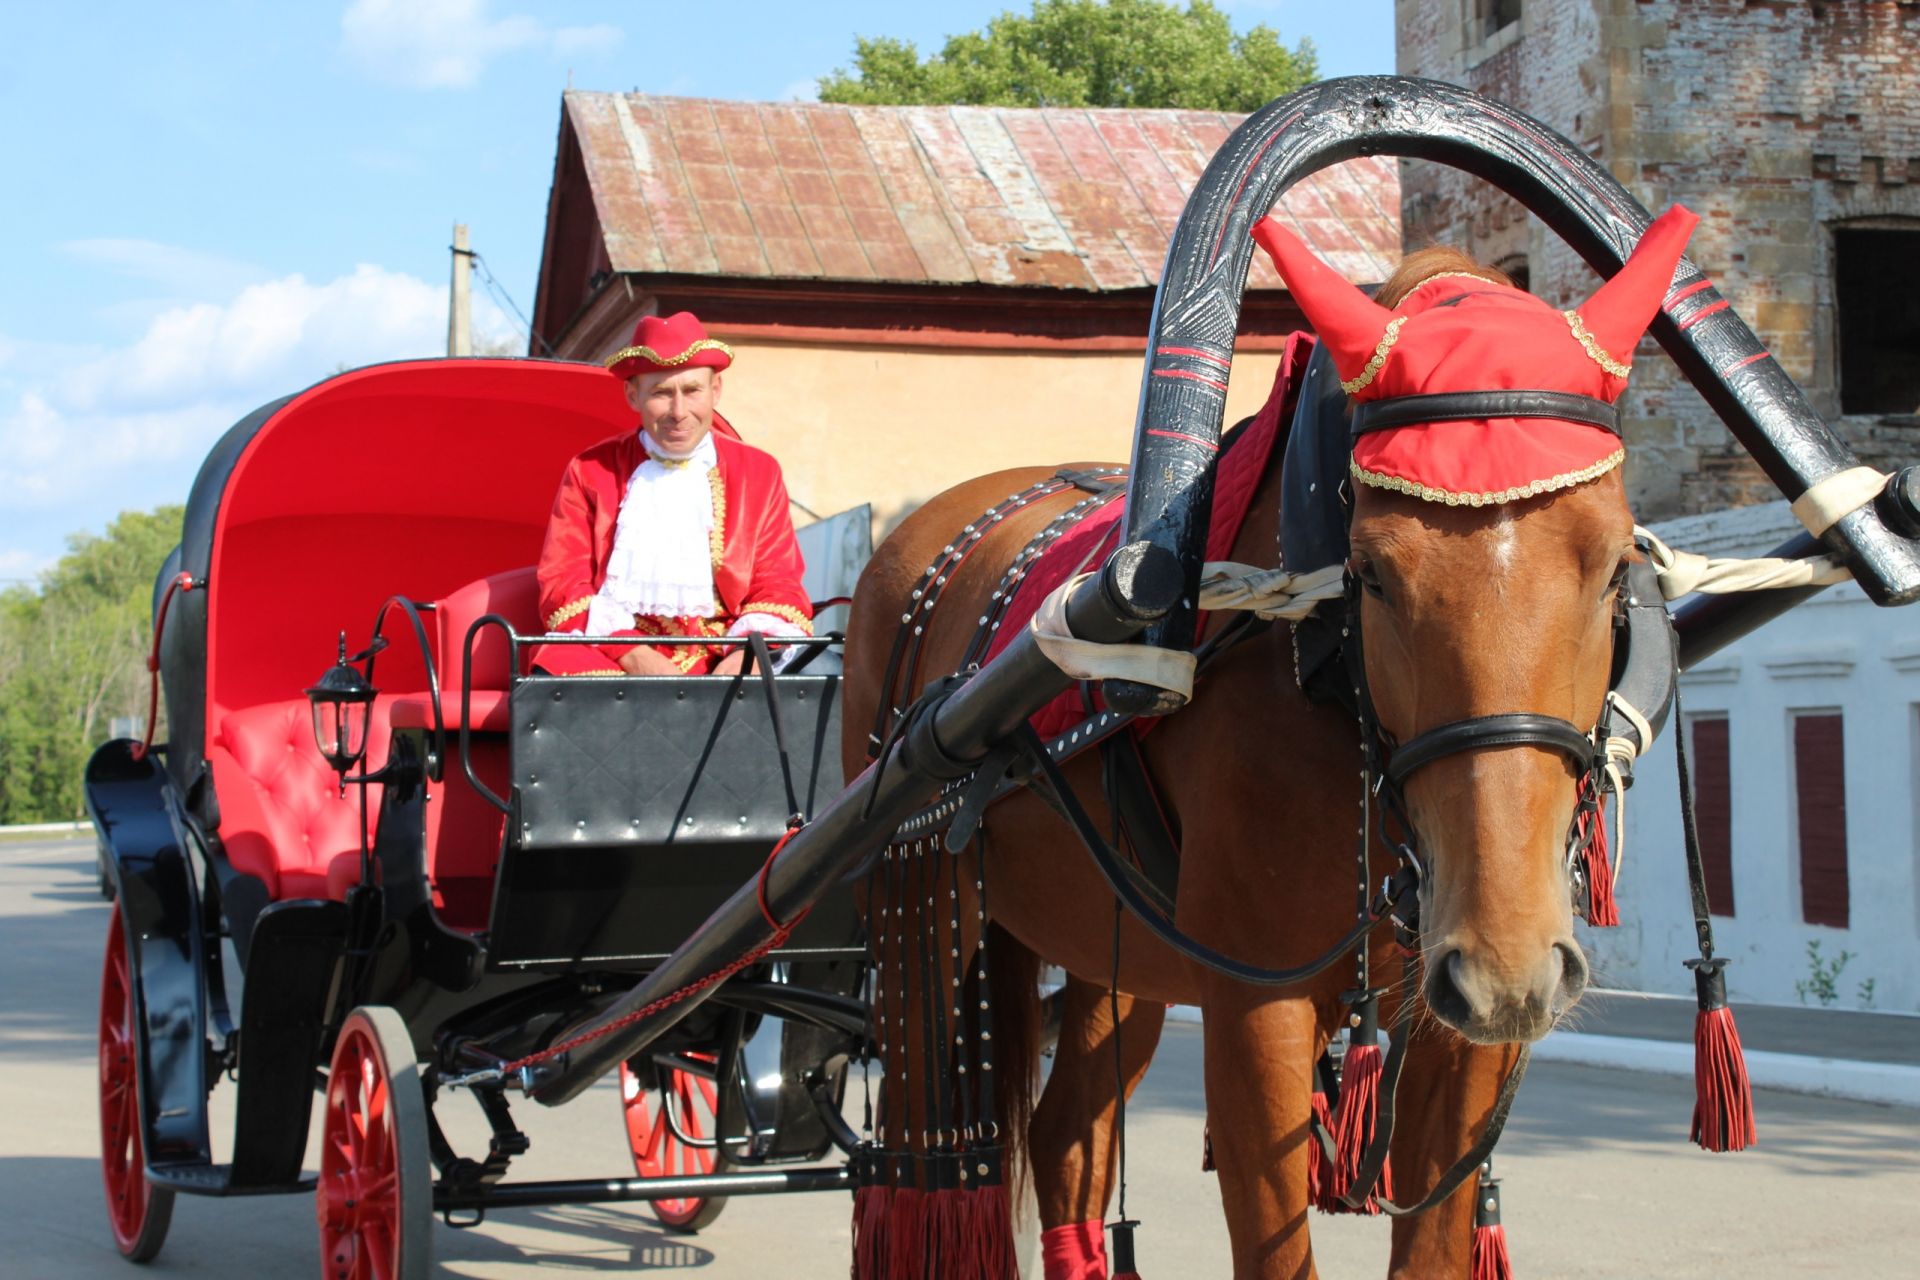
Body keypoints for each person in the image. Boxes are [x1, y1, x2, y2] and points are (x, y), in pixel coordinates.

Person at [532, 311, 813, 676]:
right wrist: (633, 654)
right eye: (661, 393)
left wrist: (744, 657)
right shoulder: (590, 469)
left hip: (729, 650)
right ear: (633, 396)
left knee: (819, 674)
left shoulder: (758, 472)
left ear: (716, 390)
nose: (679, 412)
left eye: (692, 390)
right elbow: (563, 583)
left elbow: (777, 582)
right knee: (555, 670)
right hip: (614, 648)